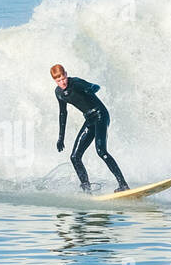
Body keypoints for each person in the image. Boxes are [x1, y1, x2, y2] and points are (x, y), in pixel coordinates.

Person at [51, 63, 129, 193]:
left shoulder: (76, 82)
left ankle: (123, 185)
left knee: (101, 151)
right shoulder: (58, 93)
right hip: (89, 119)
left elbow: (95, 86)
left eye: (63, 78)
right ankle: (87, 190)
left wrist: (91, 90)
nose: (62, 82)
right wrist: (60, 137)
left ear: (66, 74)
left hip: (100, 114)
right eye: (58, 80)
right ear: (55, 80)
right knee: (75, 157)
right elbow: (63, 113)